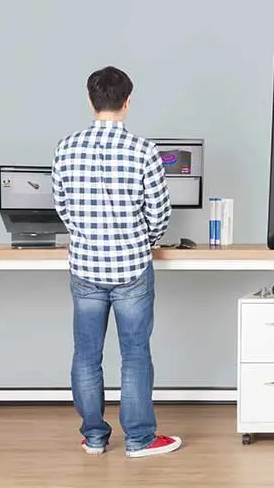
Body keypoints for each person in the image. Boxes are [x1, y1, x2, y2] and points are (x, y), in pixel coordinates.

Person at [51, 66, 181, 458]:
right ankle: (140, 440)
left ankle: (93, 437)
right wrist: (144, 240)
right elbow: (159, 212)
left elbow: (63, 207)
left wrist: (87, 236)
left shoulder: (66, 147)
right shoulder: (143, 150)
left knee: (86, 354)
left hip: (86, 267)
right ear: (127, 101)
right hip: (131, 268)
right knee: (135, 353)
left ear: (91, 101)